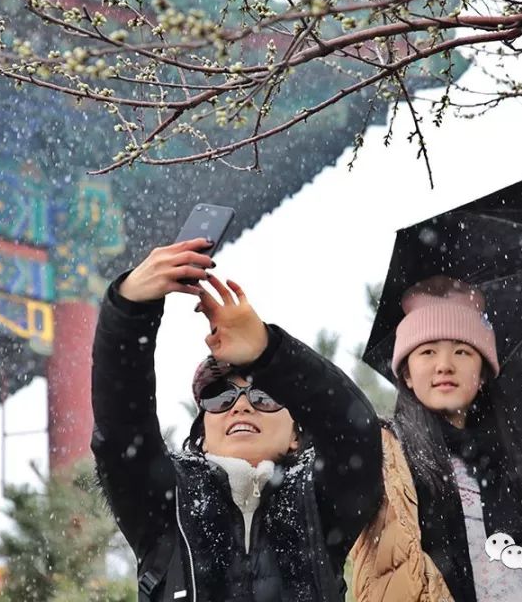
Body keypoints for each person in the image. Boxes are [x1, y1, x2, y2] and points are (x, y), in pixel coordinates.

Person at [91, 238, 383, 602]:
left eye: (263, 395)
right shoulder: (166, 505)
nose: (241, 406)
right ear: (202, 435)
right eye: (220, 396)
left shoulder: (318, 505)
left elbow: (355, 433)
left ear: (297, 435)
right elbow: (121, 428)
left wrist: (267, 350)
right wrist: (128, 309)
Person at [350, 276, 522, 602]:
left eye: (462, 352)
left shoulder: (516, 475)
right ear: (405, 372)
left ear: (484, 372)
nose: (444, 365)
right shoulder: (382, 454)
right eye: (427, 352)